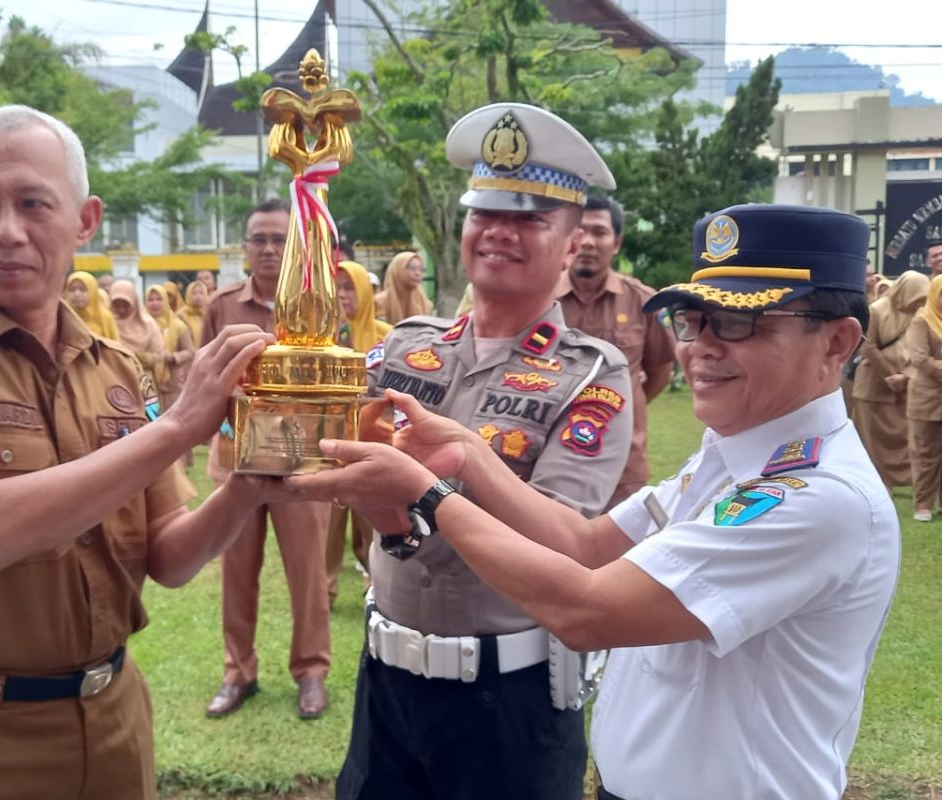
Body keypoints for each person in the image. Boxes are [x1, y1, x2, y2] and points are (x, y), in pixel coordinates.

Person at [293, 203, 899, 800]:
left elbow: (587, 611)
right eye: (694, 320)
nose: (702, 348)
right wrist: (467, 452)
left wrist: (424, 491)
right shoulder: (729, 457)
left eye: (740, 323)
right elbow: (586, 546)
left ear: (836, 342)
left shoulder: (817, 497)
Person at [0, 104, 289, 800]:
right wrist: (179, 428)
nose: (6, 230)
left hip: (112, 717)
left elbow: (168, 555)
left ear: (85, 220)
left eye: (34, 202)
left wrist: (250, 485)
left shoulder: (117, 369)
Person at [315, 103, 633, 799]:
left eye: (528, 218)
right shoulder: (405, 345)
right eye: (486, 213)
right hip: (387, 687)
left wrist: (453, 473)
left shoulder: (591, 371)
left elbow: (568, 544)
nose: (499, 233)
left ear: (575, 239)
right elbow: (330, 459)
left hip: (508, 703)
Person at [200, 198, 333, 720]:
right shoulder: (222, 305)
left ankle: (311, 672)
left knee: (307, 572)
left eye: (281, 239)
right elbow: (206, 385)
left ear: (297, 246)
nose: (270, 249)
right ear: (245, 247)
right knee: (236, 570)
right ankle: (238, 672)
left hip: (300, 459)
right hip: (239, 457)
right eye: (260, 238)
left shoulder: (316, 305)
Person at [556, 195, 676, 506]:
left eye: (600, 232)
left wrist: (621, 411)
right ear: (568, 239)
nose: (588, 242)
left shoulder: (643, 302)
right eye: (580, 232)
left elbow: (661, 372)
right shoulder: (539, 301)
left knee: (620, 552)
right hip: (549, 460)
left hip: (624, 466)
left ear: (617, 242)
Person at [326, 260, 392, 603]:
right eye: (337, 288)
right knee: (331, 520)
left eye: (349, 287)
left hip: (373, 441)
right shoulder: (327, 335)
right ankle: (326, 586)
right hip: (332, 441)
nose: (342, 295)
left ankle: (374, 579)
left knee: (371, 517)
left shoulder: (387, 335)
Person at [851, 271, 927, 487]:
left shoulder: (920, 314)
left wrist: (905, 375)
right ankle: (875, 483)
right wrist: (890, 375)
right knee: (871, 439)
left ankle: (908, 481)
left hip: (904, 385)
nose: (920, 302)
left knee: (904, 436)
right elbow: (868, 345)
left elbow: (920, 348)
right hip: (873, 385)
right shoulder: (877, 310)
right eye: (917, 297)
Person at [905, 274, 942, 521]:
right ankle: (923, 505)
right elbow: (920, 359)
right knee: (925, 454)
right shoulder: (922, 320)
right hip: (926, 397)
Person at [145, 285, 194, 413]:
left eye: (159, 299)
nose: (155, 303)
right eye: (151, 300)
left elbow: (190, 352)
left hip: (172, 382)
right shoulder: (141, 325)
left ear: (166, 301)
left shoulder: (178, 326)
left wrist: (172, 356)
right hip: (148, 383)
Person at [109, 279, 168, 383]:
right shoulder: (108, 324)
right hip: (115, 379)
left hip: (144, 380)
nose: (121, 309)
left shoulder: (148, 325)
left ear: (134, 302)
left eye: (126, 305)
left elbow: (159, 355)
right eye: (117, 305)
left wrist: (133, 356)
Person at [374, 250, 433, 324]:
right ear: (397, 269)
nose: (418, 273)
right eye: (412, 268)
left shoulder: (425, 303)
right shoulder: (379, 302)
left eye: (421, 269)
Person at [66, 270, 119, 340]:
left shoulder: (105, 317)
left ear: (92, 291)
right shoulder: (65, 316)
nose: (76, 294)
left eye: (82, 290)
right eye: (72, 290)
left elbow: (116, 345)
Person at [179, 278, 209, 347]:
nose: (198, 296)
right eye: (194, 293)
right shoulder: (181, 315)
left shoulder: (209, 313)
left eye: (201, 293)